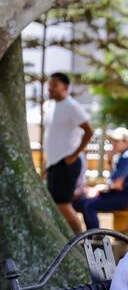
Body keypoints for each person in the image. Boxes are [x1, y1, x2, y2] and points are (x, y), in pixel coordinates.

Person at [44, 72, 93, 235]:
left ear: (65, 87)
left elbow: (89, 131)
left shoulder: (71, 106)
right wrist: (46, 164)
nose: (50, 88)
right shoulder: (51, 106)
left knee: (63, 204)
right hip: (54, 164)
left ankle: (79, 241)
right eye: (49, 84)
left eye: (54, 85)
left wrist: (74, 155)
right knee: (54, 205)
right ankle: (67, 239)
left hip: (67, 164)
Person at [80, 127, 128, 230]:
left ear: (126, 142)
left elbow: (116, 184)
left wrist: (98, 188)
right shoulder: (125, 155)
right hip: (124, 194)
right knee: (85, 202)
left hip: (127, 196)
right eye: (113, 140)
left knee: (88, 205)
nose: (113, 143)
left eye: (116, 141)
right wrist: (110, 159)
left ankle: (95, 237)